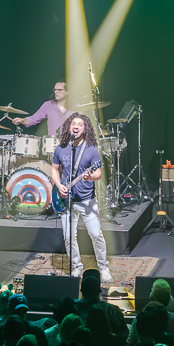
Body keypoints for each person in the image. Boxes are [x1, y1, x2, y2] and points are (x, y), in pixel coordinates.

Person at [51, 113, 111, 284]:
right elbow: (54, 169)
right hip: (66, 200)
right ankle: (76, 266)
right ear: (69, 127)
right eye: (73, 124)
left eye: (80, 124)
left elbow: (98, 172)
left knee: (96, 234)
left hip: (86, 200)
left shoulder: (91, 149)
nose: (76, 126)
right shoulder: (61, 148)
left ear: (85, 129)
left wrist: (90, 177)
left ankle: (103, 266)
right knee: (69, 238)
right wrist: (59, 185)